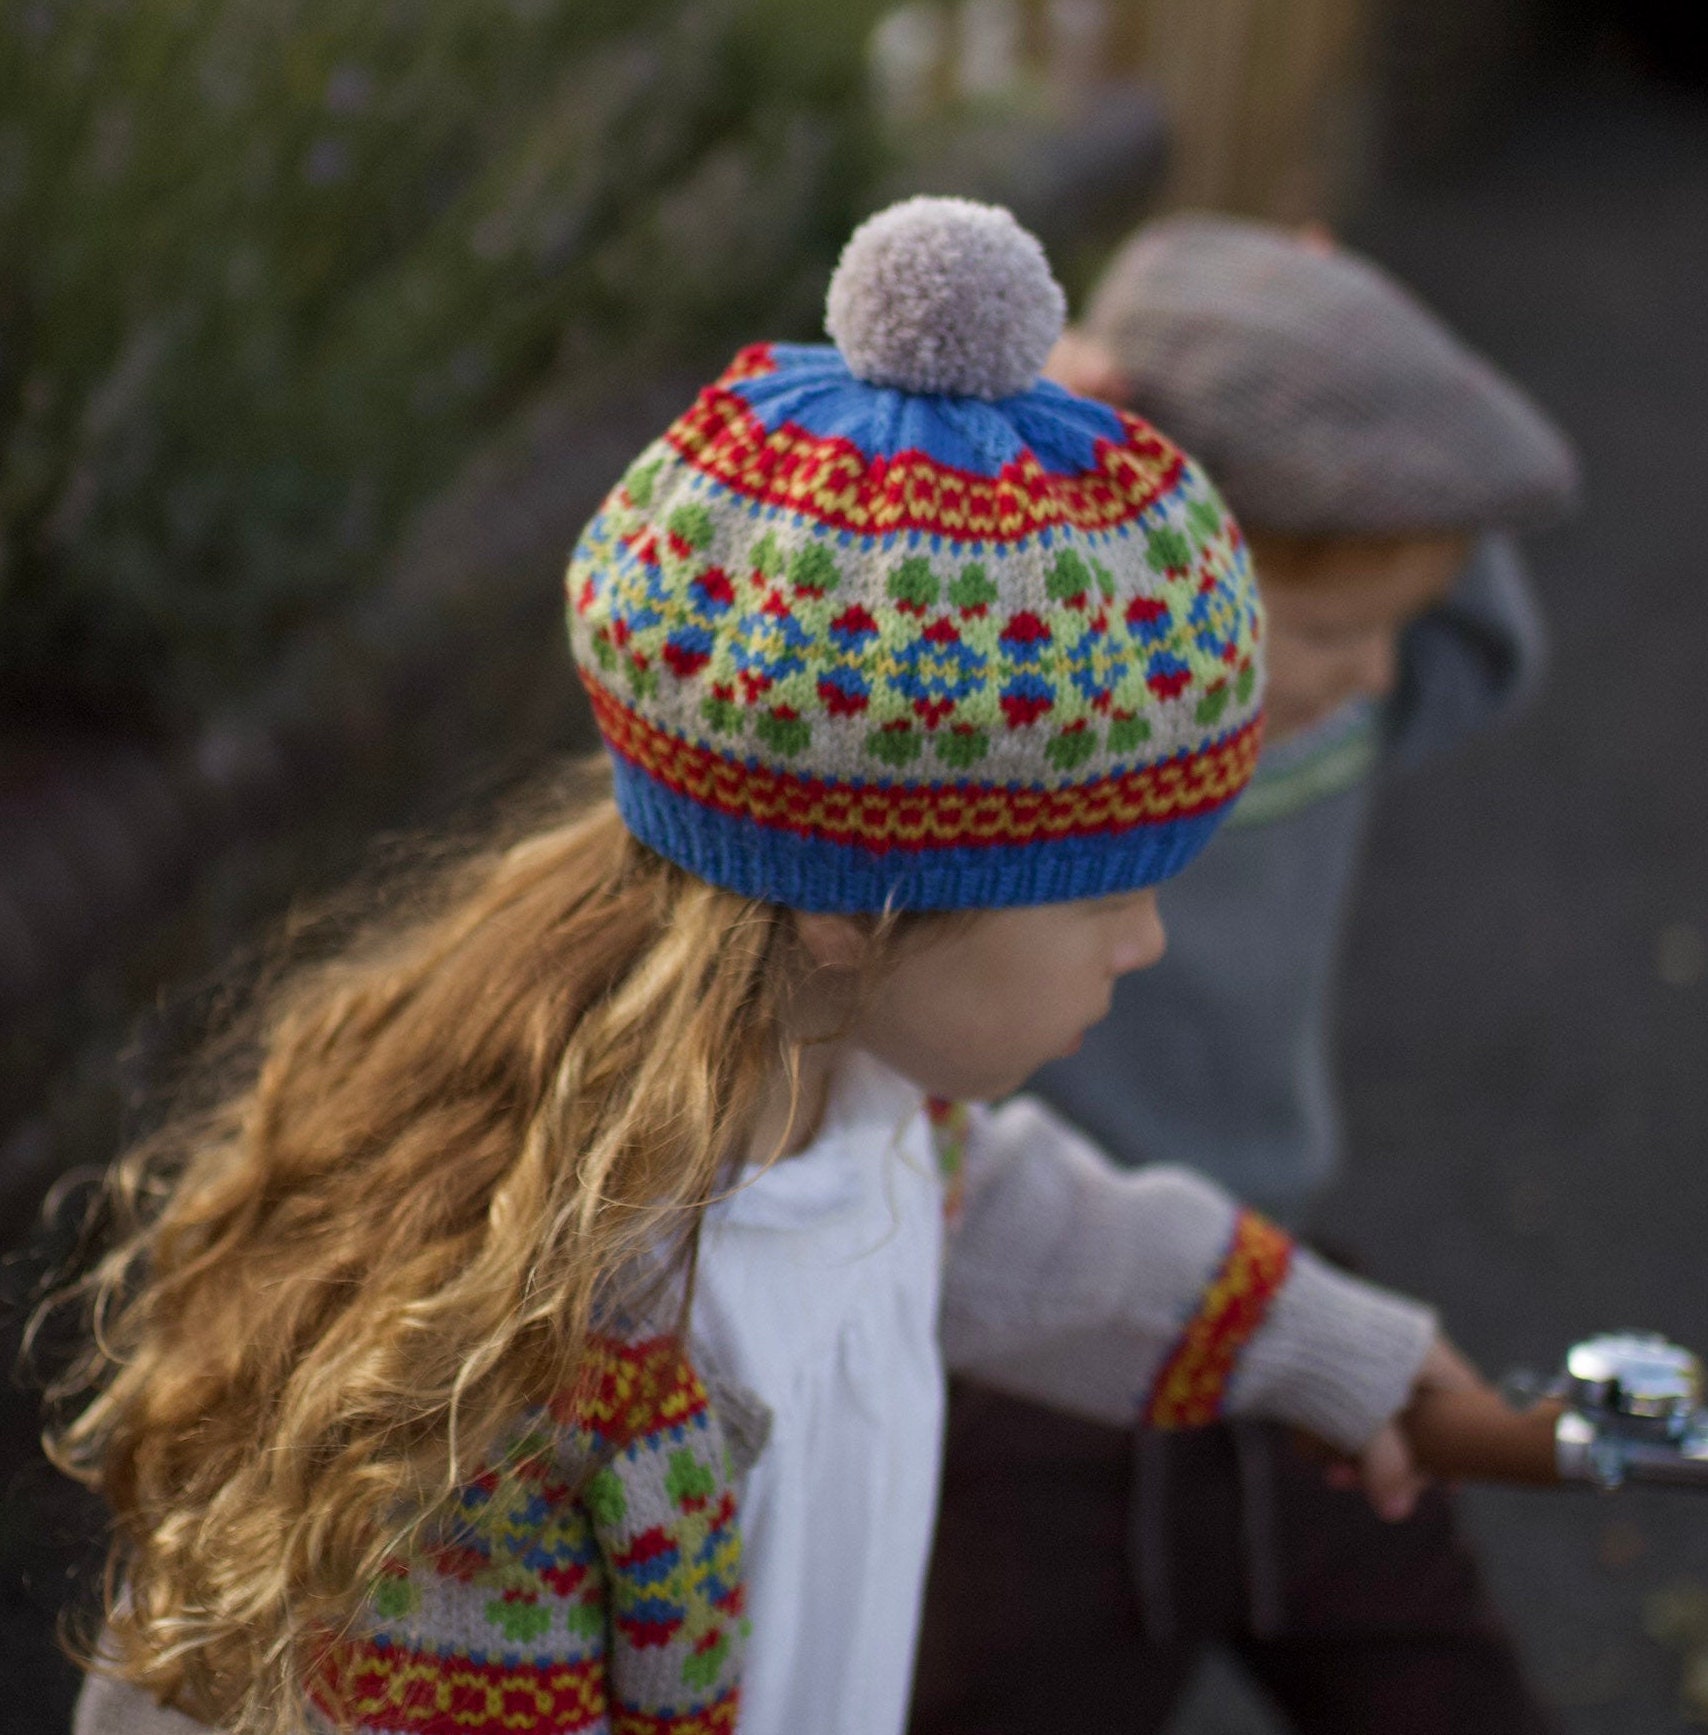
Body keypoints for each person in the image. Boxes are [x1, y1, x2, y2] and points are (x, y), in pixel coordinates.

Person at [54, 198, 1501, 1735]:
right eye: (1100, 898)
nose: (1144, 943)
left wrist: (1332, 1350)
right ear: (851, 903)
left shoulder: (839, 1090)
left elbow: (994, 1213)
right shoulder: (531, 1399)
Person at [912, 215, 1580, 1735]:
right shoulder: (1055, 747)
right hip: (1031, 1383)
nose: (1380, 672)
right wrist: (1045, 459)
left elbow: (1474, 593)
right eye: (1333, 628)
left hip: (1285, 1304)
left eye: (1387, 629)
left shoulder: (1339, 721)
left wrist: (1365, 340)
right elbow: (929, 620)